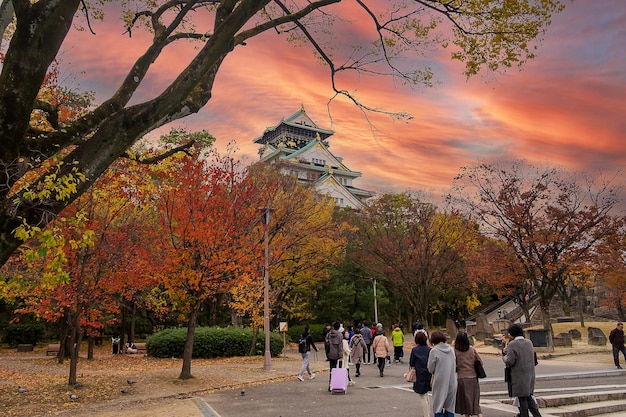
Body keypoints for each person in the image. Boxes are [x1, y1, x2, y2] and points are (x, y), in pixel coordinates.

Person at [502, 324, 542, 417]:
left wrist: (503, 358)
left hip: (519, 376)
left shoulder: (513, 344)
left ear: (512, 334)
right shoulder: (529, 342)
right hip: (530, 375)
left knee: (522, 400)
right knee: (529, 398)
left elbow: (510, 361)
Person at [427, 330, 457, 417]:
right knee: (450, 407)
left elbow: (430, 368)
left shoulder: (434, 351)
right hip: (452, 381)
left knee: (438, 406)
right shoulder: (451, 350)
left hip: (440, 382)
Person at [454, 332, 483, 417]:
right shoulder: (472, 349)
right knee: (475, 401)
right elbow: (480, 361)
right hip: (473, 377)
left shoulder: (455, 351)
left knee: (466, 402)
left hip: (461, 378)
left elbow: (454, 364)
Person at [410, 331, 433, 417]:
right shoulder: (430, 350)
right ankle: (428, 412)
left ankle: (426, 414)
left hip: (419, 375)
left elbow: (411, 363)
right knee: (426, 394)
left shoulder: (415, 350)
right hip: (429, 374)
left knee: (422, 396)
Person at [325, 321, 343, 391]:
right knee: (336, 369)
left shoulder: (329, 334)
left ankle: (330, 384)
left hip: (330, 353)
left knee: (331, 369)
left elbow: (326, 343)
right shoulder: (339, 335)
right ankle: (335, 384)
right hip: (336, 354)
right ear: (338, 327)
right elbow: (340, 346)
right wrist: (341, 356)